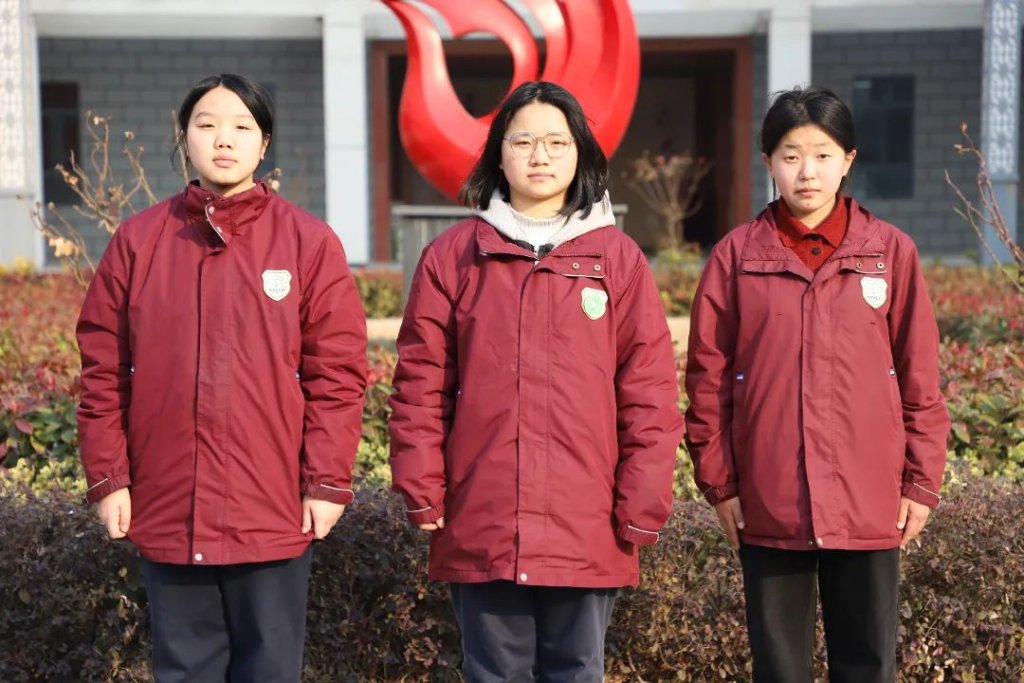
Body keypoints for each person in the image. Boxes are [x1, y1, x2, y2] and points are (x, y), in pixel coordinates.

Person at [76, 73, 368, 683]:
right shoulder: (138, 241)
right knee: (185, 668)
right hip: (168, 501)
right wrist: (109, 479)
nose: (224, 139)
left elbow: (337, 376)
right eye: (206, 125)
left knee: (271, 669)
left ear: (265, 144)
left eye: (241, 127)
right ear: (184, 138)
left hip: (273, 504)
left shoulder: (308, 242)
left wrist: (326, 483)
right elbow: (102, 371)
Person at [388, 80, 683, 682]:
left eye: (556, 142)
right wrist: (422, 484)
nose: (539, 156)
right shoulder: (454, 257)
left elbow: (649, 392)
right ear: (498, 153)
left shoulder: (618, 260)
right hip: (483, 514)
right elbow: (420, 383)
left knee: (577, 670)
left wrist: (643, 500)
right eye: (522, 141)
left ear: (581, 154)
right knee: (493, 671)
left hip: (587, 520)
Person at [685, 85, 950, 682]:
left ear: (848, 160)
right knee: (779, 668)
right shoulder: (734, 258)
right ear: (768, 163)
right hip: (769, 501)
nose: (807, 171)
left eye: (823, 154)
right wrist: (720, 483)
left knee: (868, 663)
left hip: (869, 498)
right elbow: (707, 380)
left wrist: (920, 481)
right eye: (790, 155)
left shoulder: (889, 253)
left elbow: (920, 377)